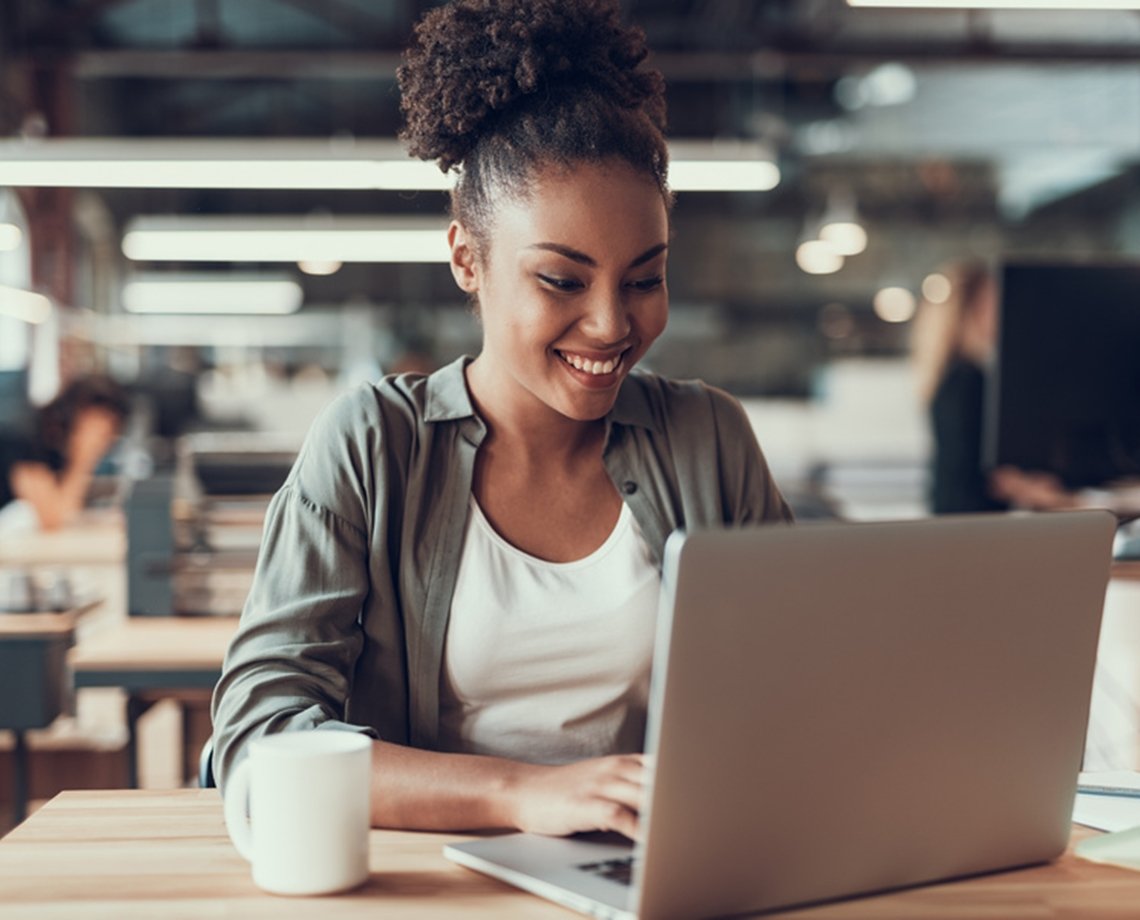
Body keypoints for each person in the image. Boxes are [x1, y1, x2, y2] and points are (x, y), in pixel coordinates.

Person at [211, 0, 792, 841]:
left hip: (648, 877)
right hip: (432, 884)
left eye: (644, 279)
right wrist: (519, 795)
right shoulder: (374, 445)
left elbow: (799, 695)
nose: (611, 325)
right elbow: (259, 744)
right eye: (562, 279)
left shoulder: (707, 438)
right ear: (467, 259)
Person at [911, 260, 1007, 514]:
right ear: (970, 310)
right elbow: (977, 470)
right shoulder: (967, 379)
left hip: (952, 517)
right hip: (971, 522)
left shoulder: (950, 375)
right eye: (993, 304)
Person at [0, 374, 129, 532]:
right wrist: (84, 458)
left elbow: (68, 511)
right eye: (105, 429)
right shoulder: (24, 436)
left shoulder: (57, 447)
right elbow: (53, 518)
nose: (108, 440)